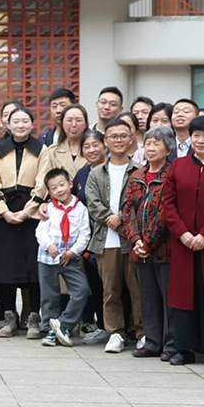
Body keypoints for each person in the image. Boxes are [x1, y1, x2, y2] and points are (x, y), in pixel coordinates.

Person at [160, 113, 204, 366]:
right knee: (182, 296)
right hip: (182, 244)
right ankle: (183, 348)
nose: (200, 140)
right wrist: (184, 233)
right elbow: (168, 204)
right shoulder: (177, 166)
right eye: (196, 135)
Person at [0, 105, 43, 338]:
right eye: (15, 121)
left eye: (25, 121)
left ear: (32, 124)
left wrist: (27, 211)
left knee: (33, 269)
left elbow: (42, 183)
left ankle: (33, 318)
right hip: (4, 215)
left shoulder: (42, 149)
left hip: (32, 215)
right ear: (7, 124)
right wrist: (4, 211)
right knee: (5, 269)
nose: (20, 125)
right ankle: (9, 317)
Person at [85, 116, 142, 353]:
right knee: (110, 290)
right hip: (105, 240)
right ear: (105, 141)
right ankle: (115, 332)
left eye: (123, 136)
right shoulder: (96, 173)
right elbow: (93, 203)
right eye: (113, 136)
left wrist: (122, 218)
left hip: (133, 240)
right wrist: (112, 218)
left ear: (131, 139)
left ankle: (141, 332)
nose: (118, 140)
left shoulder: (140, 171)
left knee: (137, 290)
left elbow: (141, 204)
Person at [121, 124, 175, 358]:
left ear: (168, 148)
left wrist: (148, 242)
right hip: (141, 248)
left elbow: (166, 213)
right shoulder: (137, 176)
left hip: (163, 248)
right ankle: (152, 342)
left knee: (168, 298)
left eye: (156, 143)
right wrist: (136, 240)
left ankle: (170, 344)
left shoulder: (171, 174)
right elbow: (127, 211)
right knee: (148, 297)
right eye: (148, 143)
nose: (151, 148)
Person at [35, 167, 91, 347]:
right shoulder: (49, 209)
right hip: (48, 257)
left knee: (81, 291)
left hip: (70, 257)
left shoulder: (80, 209)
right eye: (54, 188)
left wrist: (73, 252)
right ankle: (49, 331)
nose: (59, 190)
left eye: (62, 184)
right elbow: (40, 232)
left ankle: (64, 323)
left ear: (70, 184)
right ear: (49, 192)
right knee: (49, 295)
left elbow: (85, 234)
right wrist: (49, 245)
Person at [33, 103, 89, 205]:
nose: (74, 124)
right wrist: (39, 203)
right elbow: (44, 182)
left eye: (78, 120)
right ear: (62, 123)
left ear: (86, 124)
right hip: (60, 207)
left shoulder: (94, 150)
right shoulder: (52, 152)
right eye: (69, 120)